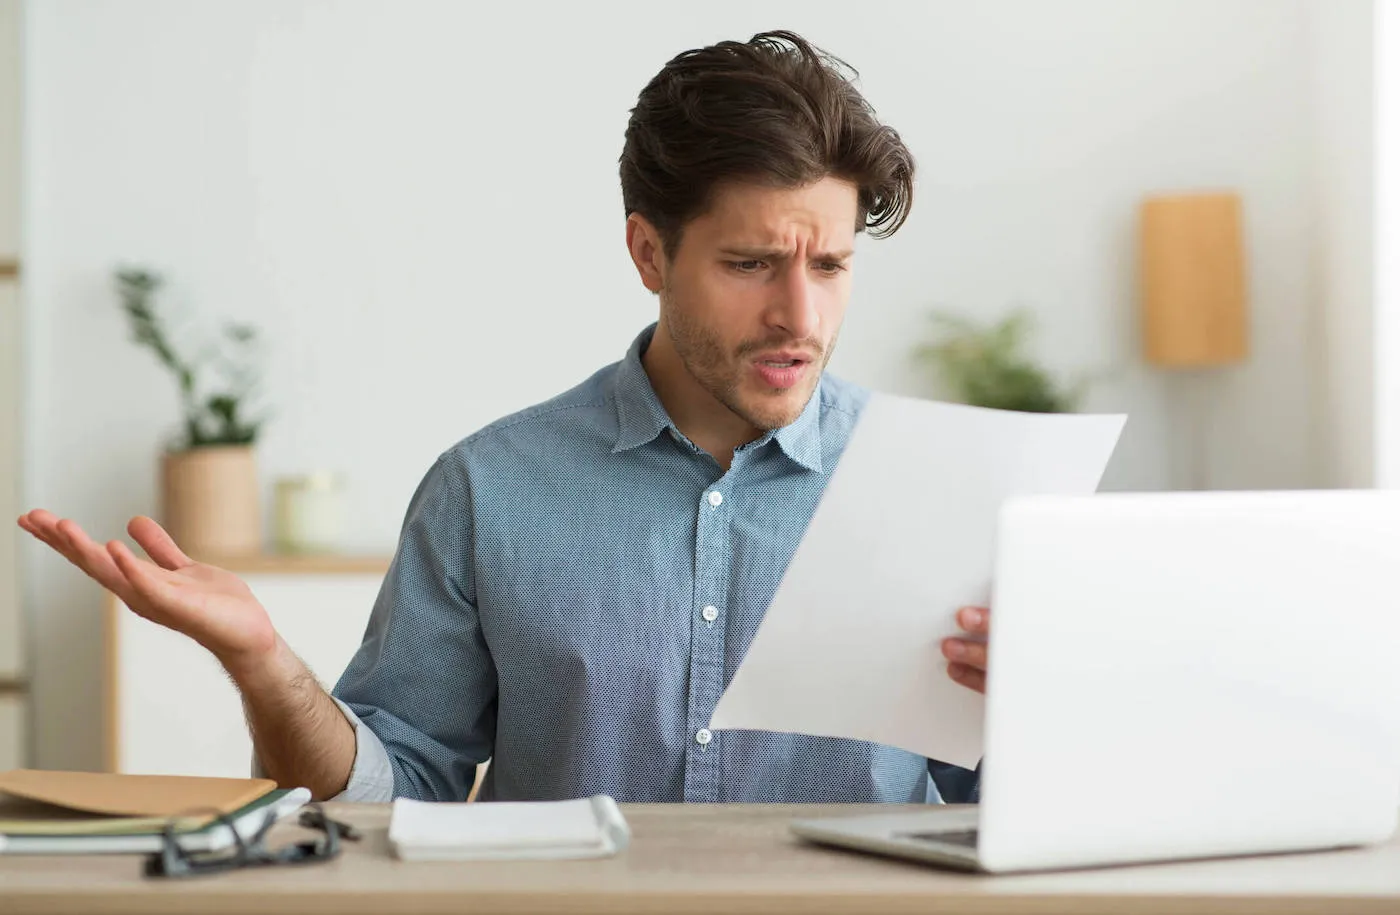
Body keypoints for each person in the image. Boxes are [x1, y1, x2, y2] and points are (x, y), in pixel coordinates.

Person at [18, 30, 989, 804]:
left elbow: (1010, 817)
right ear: (647, 254)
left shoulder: (932, 487)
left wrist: (1043, 708)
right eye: (749, 265)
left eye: (828, 266)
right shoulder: (489, 490)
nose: (799, 316)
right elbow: (384, 795)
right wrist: (265, 666)